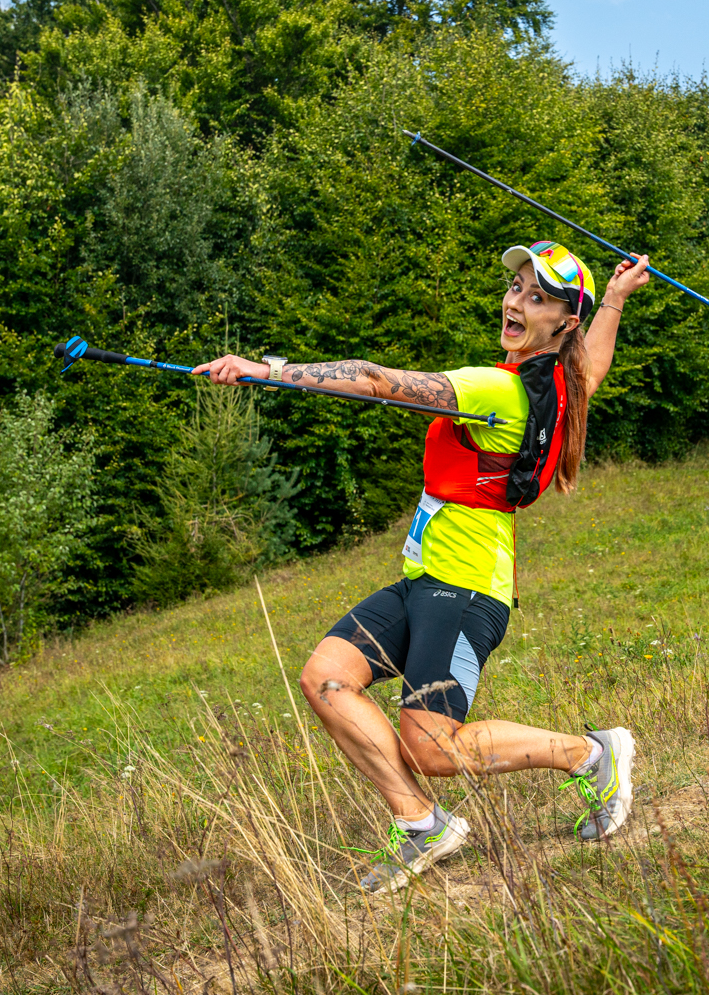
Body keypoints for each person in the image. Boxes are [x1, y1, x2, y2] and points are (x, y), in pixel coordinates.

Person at [195, 240, 652, 892]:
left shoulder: (499, 389)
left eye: (537, 297)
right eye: (516, 287)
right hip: (424, 581)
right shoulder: (559, 384)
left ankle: (591, 753)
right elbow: (593, 364)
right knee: (327, 678)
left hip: (466, 588)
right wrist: (615, 299)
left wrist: (268, 371)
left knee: (435, 747)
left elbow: (376, 382)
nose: (516, 302)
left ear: (563, 322)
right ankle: (421, 824)